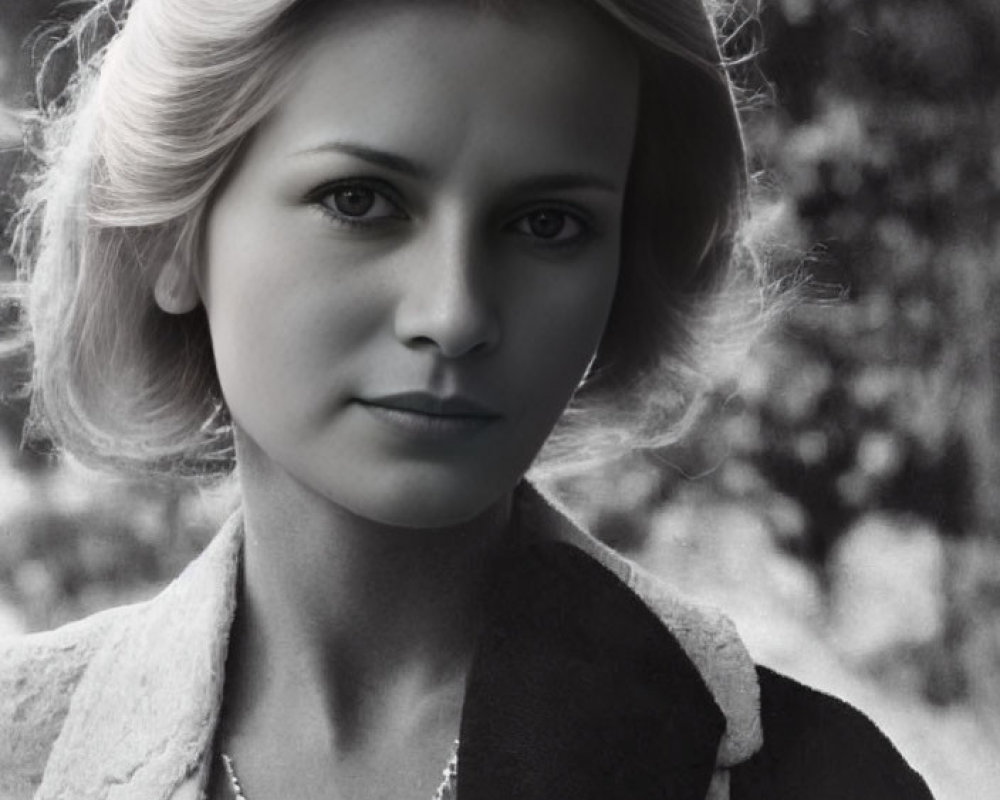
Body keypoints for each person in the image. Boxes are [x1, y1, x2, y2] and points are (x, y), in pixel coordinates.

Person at [0, 0, 935, 798]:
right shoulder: (20, 752)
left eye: (547, 223)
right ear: (172, 232)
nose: (455, 314)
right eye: (360, 201)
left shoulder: (815, 779)